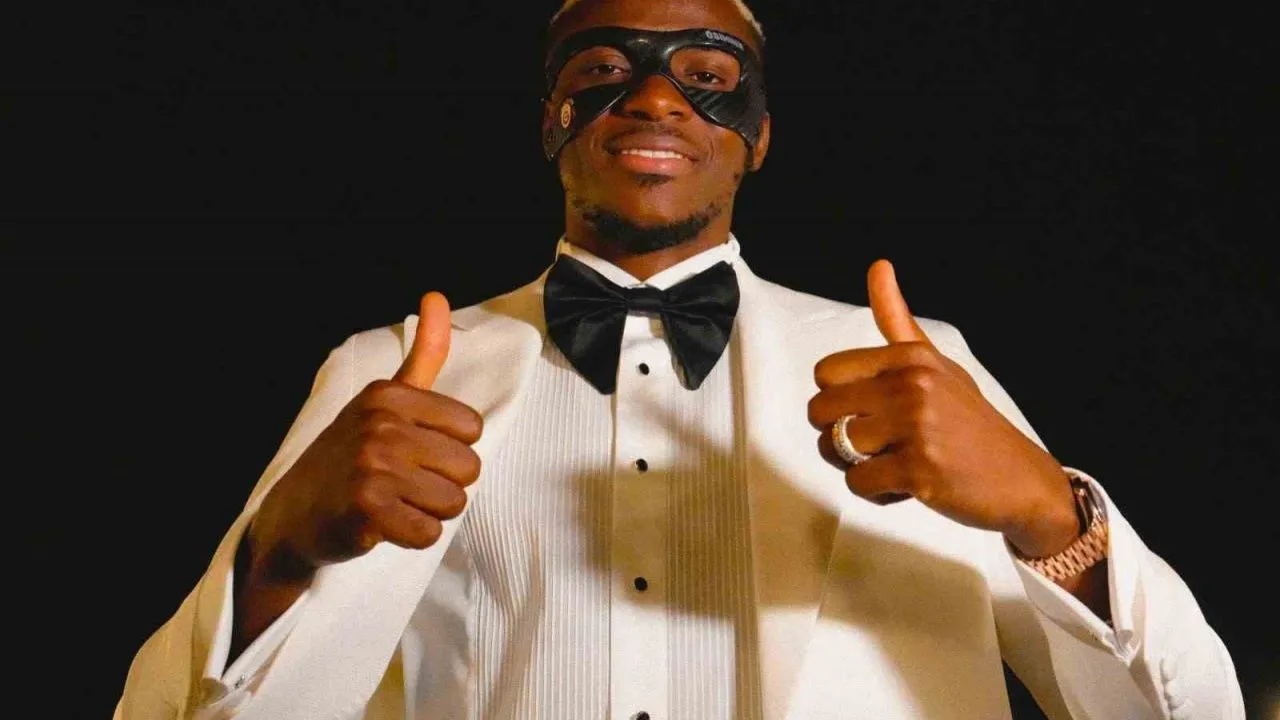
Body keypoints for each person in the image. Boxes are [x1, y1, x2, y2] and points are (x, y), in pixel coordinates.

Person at [116, 0, 1246, 717]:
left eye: (706, 75)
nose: (654, 96)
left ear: (759, 135)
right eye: (604, 66)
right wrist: (277, 555)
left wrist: (1049, 515)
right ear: (552, 119)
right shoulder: (395, 369)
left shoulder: (908, 369)